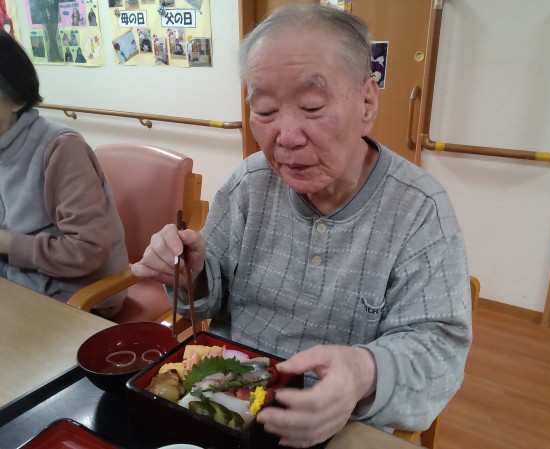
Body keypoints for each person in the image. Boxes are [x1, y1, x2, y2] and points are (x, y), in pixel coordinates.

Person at [131, 5, 472, 447]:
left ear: (367, 103)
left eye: (312, 107)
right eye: (265, 110)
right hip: (227, 402)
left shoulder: (419, 209)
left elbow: (438, 348)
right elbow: (210, 290)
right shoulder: (249, 183)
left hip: (338, 421)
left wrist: (364, 371)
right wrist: (191, 272)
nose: (287, 136)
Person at [0, 31, 128, 318]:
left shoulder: (60, 149)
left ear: (17, 98)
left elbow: (88, 250)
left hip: (78, 294)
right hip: (19, 284)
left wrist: (6, 244)